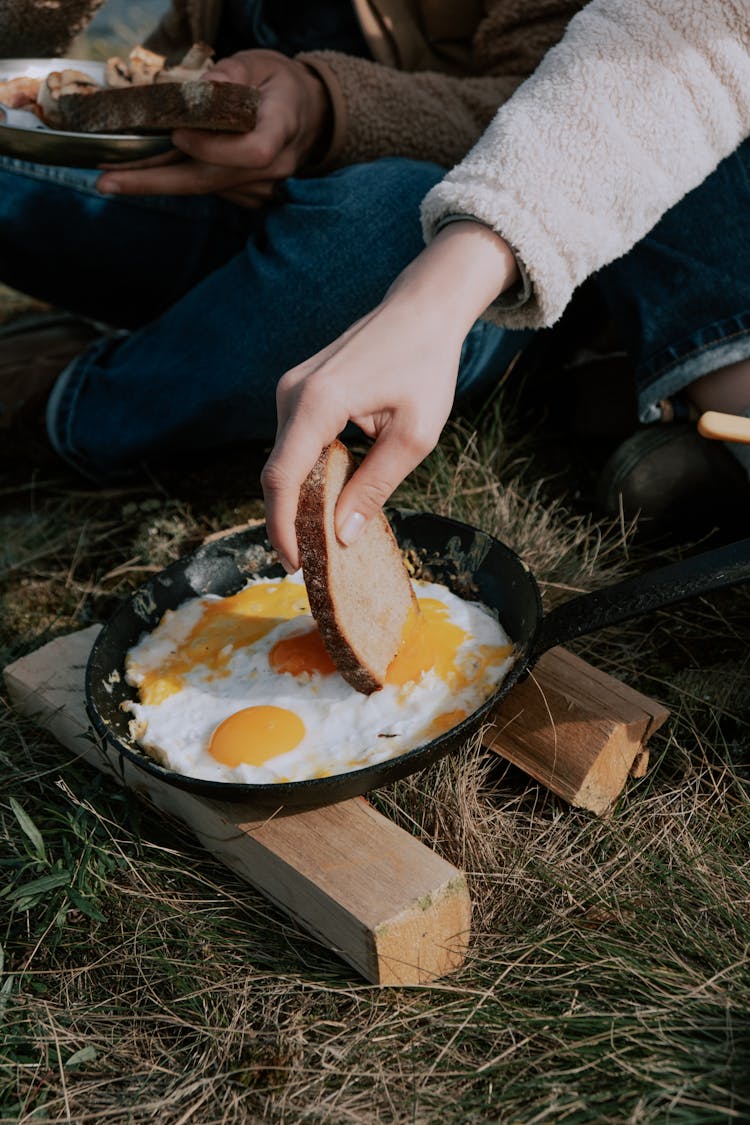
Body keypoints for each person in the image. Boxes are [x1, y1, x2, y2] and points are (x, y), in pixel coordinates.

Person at [258, 0, 750, 571]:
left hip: (502, 207)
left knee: (380, 224)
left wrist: (326, 111)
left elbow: (678, 44)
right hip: (394, 205)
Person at [0, 0, 580, 470]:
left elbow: (566, 114)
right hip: (224, 210)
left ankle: (68, 409)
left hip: (425, 265)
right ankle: (186, 351)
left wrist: (324, 113)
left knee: (396, 224)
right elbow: (162, 61)